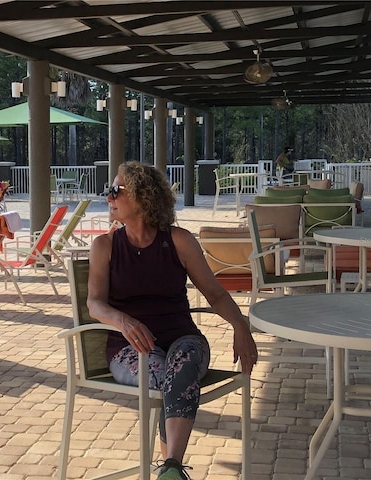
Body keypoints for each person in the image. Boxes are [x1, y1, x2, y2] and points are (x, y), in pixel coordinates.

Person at [87, 162, 257, 480]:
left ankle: (170, 467)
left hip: (183, 339)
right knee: (167, 372)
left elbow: (215, 294)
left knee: (183, 360)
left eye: (115, 190)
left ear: (142, 196)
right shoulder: (105, 246)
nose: (107, 196)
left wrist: (241, 327)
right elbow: (94, 303)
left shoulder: (179, 241)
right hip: (130, 348)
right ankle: (173, 469)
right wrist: (122, 320)